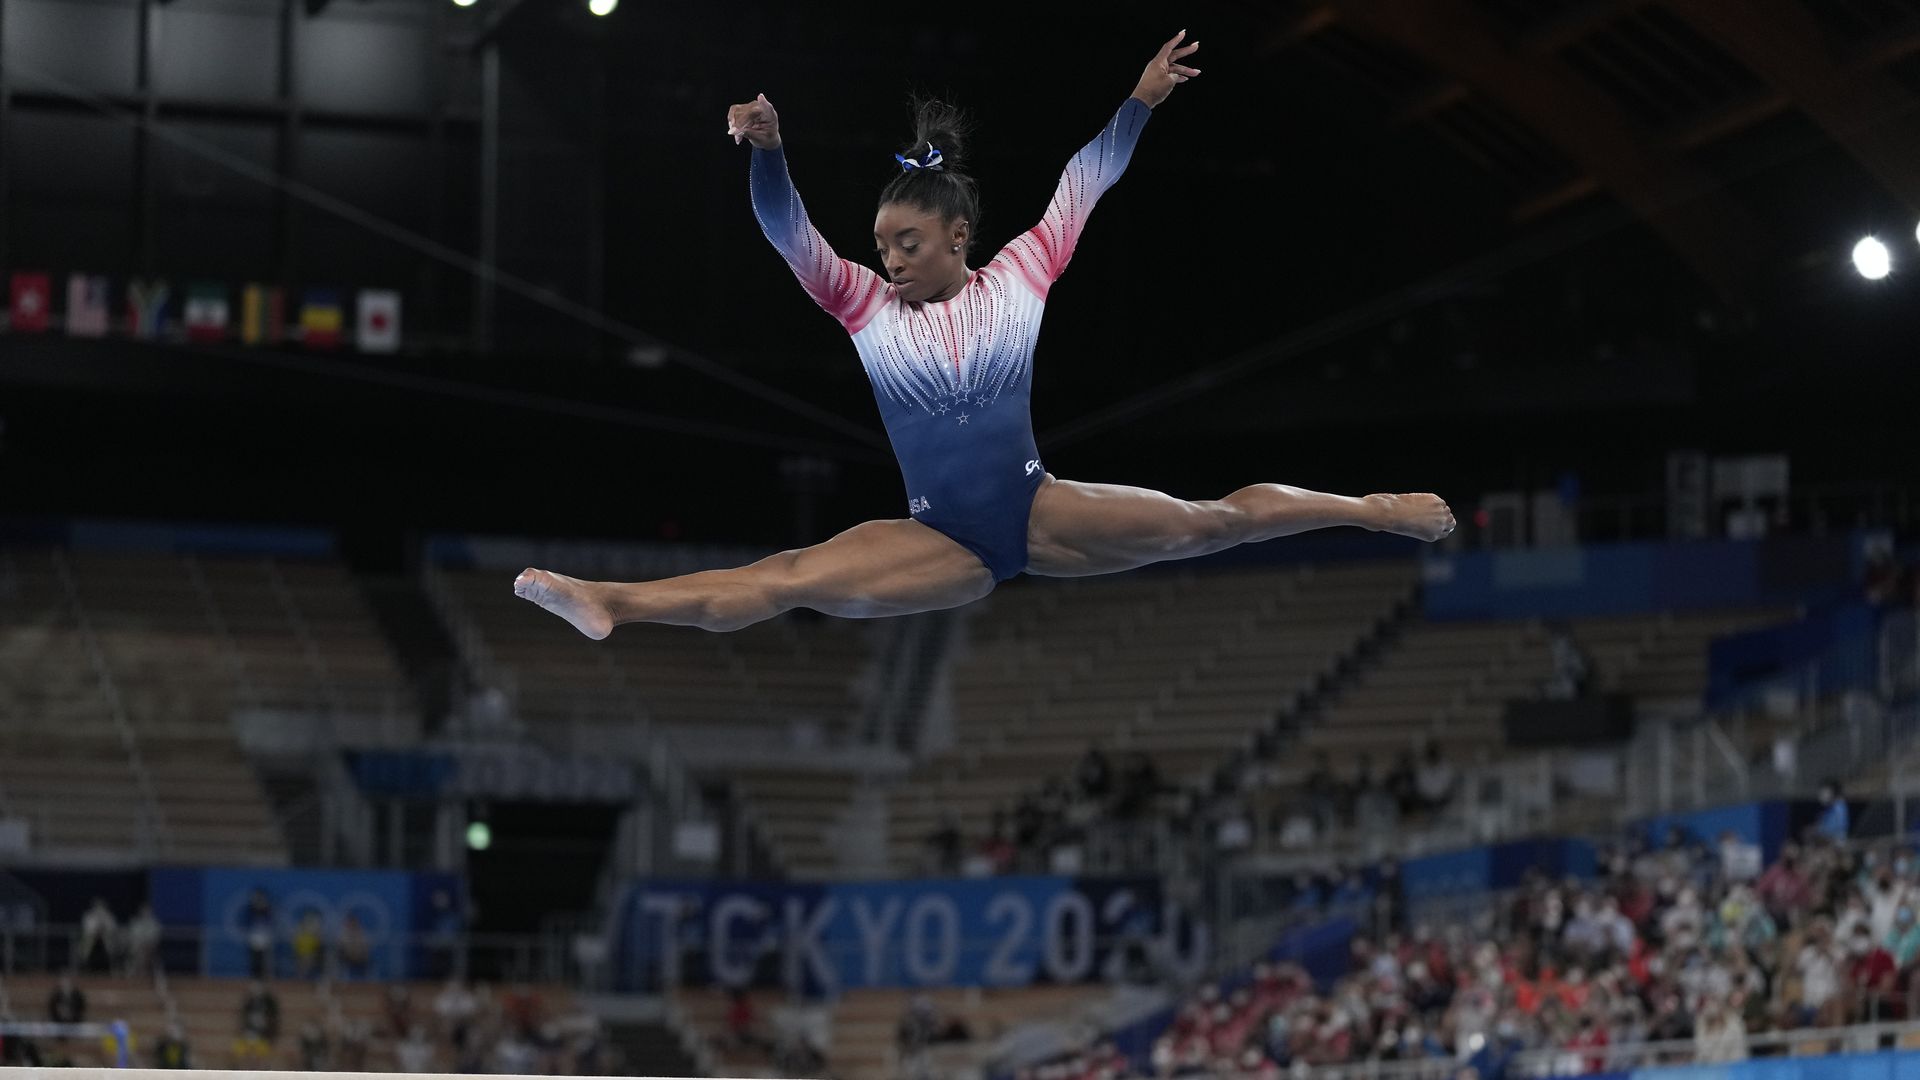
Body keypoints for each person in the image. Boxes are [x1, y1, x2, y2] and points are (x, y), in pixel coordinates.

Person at [511, 31, 1455, 638]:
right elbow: (784, 228)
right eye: (882, 246)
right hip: (941, 541)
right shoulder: (861, 306)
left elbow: (1087, 179)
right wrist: (770, 152)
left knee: (1213, 524)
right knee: (786, 578)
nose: (888, 261)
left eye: (907, 243)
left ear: (959, 236)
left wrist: (1140, 103)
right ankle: (611, 602)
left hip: (1040, 510)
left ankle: (1371, 509)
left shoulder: (1023, 273)